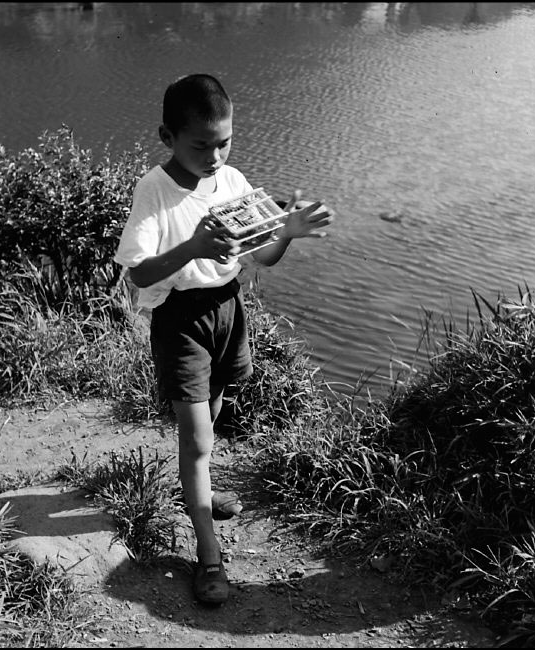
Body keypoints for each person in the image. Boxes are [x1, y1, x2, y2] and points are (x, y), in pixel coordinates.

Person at [114, 73, 333, 605]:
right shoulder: (155, 189)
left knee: (210, 420)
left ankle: (199, 488)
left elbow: (261, 257)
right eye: (200, 144)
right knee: (197, 438)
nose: (214, 156)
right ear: (167, 137)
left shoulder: (233, 181)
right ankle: (208, 552)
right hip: (181, 318)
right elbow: (139, 275)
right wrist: (190, 247)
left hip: (227, 308)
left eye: (224, 142)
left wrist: (286, 233)